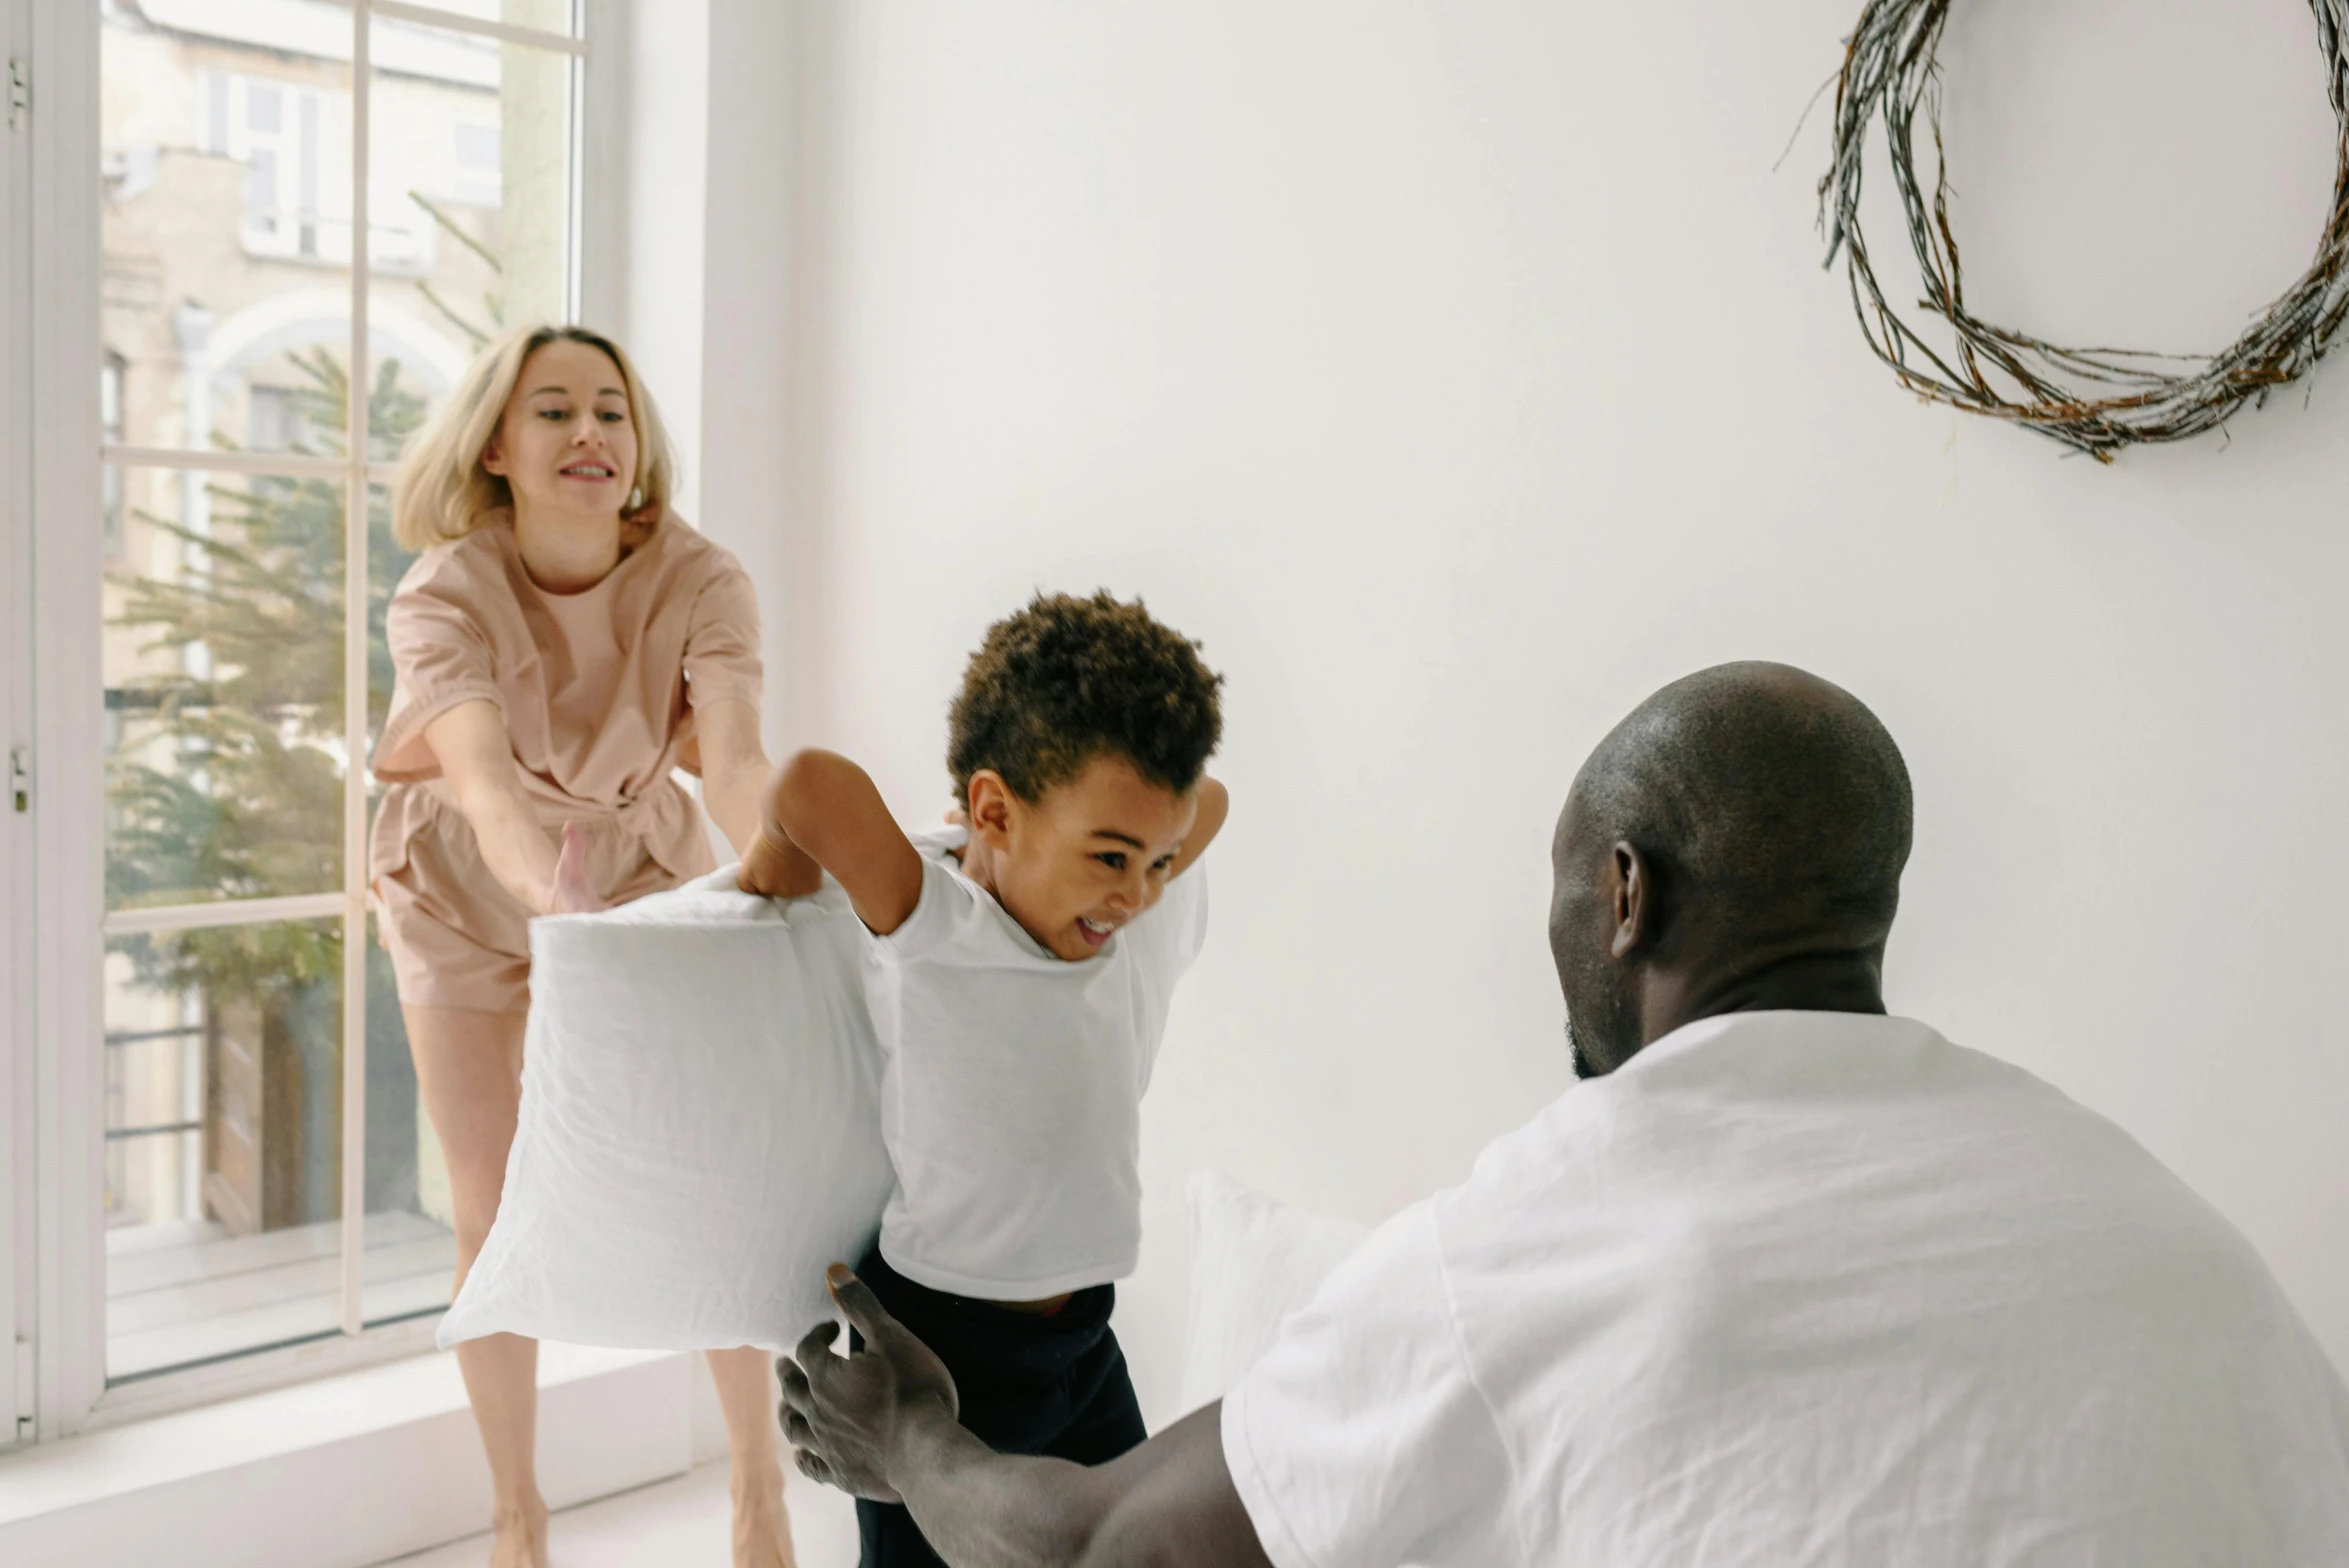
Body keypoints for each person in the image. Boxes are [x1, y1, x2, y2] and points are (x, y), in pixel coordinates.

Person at [777, 661, 2349, 1567]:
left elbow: (1100, 1554)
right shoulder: (2154, 1217)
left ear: (1621, 896)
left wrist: (906, 1433)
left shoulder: (1556, 1230)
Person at [373, 323, 799, 1568]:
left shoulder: (702, 578)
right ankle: (518, 1512)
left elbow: (732, 762)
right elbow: (488, 789)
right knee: (491, 1200)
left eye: (610, 409)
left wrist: (781, 865)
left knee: (717, 1171)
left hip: (630, 854)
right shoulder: (443, 591)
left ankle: (758, 1487)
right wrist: (544, 905)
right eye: (552, 411)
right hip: (464, 871)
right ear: (498, 446)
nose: (589, 433)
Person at [735, 591, 1231, 1567]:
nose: (1135, 896)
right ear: (996, 810)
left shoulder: (1116, 914)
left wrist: (1143, 844)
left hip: (1084, 1340)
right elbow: (807, 779)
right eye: (1110, 856)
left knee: (1131, 1546)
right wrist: (772, 870)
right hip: (936, 1358)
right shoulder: (939, 926)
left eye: (1159, 862)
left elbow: (1206, 800)